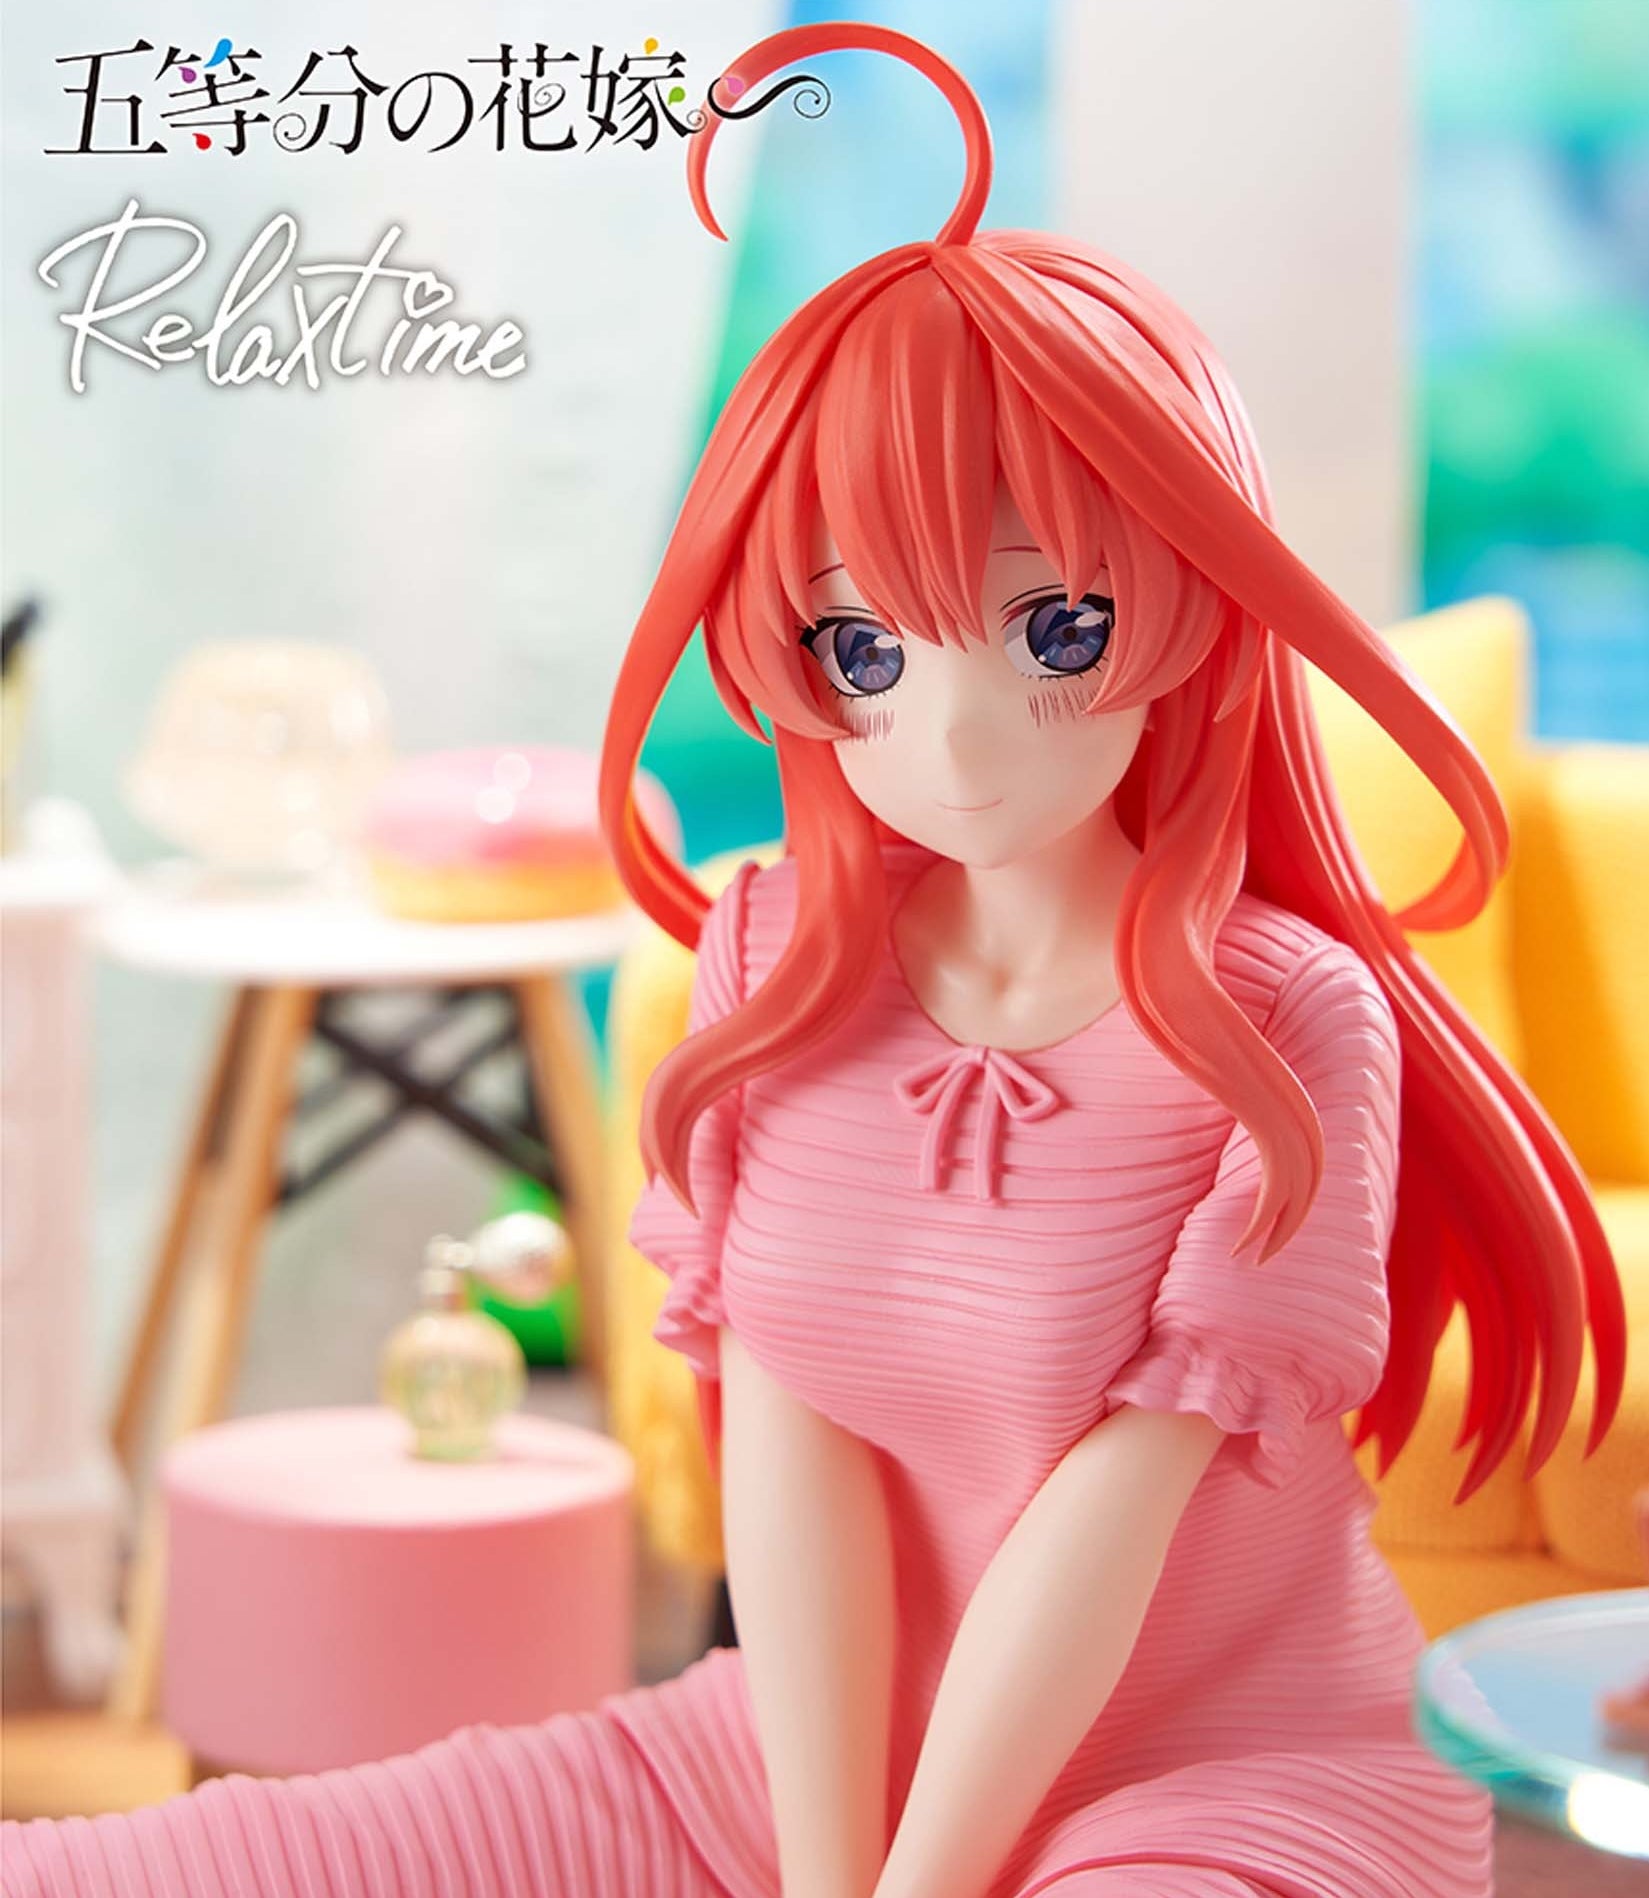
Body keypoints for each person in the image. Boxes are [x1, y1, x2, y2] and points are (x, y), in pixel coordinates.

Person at [4, 22, 1623, 1898]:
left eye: (1057, 624)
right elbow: (795, 1455)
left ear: (1190, 597)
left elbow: (1110, 1518)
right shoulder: (776, 956)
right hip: (796, 1762)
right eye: (866, 650)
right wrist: (832, 1864)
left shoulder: (1279, 1018)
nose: (957, 734)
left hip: (1230, 1781)